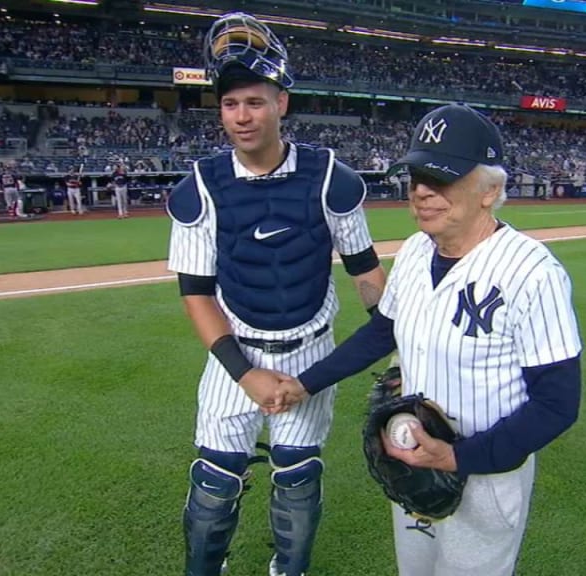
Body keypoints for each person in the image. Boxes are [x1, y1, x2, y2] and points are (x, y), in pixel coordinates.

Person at [273, 104, 583, 576]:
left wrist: (458, 456)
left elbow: (558, 405)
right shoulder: (418, 250)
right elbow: (384, 330)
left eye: (441, 179)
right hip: (415, 454)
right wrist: (305, 383)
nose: (420, 191)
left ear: (490, 191)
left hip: (486, 472)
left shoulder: (533, 273)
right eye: (416, 175)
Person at [166, 12, 387, 576]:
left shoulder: (330, 176)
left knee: (298, 478)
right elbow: (196, 295)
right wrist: (246, 373)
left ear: (281, 104)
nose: (242, 116)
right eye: (231, 104)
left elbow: (365, 272)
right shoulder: (200, 187)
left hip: (310, 346)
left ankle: (289, 570)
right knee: (213, 485)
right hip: (234, 353)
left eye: (255, 102)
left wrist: (398, 336)